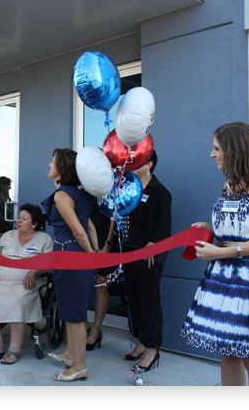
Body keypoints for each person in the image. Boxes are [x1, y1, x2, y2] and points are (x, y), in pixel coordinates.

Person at [181, 122, 249, 386]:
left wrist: (222, 252)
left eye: (217, 148)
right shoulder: (230, 182)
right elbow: (240, 228)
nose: (212, 154)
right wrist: (210, 229)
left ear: (233, 149)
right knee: (228, 353)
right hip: (222, 275)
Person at [41, 148, 99, 382]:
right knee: (70, 309)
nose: (49, 165)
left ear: (62, 169)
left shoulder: (62, 195)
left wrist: (91, 255)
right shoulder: (76, 193)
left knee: (75, 315)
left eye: (52, 162)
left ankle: (80, 367)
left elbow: (79, 230)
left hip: (71, 256)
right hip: (72, 255)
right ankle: (69, 354)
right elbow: (91, 227)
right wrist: (94, 253)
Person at [113, 150, 171, 372]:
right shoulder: (130, 191)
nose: (131, 166)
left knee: (149, 302)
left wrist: (152, 245)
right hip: (129, 253)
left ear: (149, 165)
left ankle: (152, 350)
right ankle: (139, 342)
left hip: (149, 257)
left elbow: (164, 226)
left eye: (137, 162)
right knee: (133, 300)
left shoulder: (160, 192)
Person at [0, 204, 52, 364]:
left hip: (25, 285)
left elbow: (49, 264)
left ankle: (14, 350)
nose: (19, 220)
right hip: (0, 282)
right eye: (19, 217)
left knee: (16, 303)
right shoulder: (8, 235)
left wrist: (35, 271)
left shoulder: (44, 239)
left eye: (24, 218)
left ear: (34, 223)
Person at [82, 190, 116, 351]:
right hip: (82, 237)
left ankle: (96, 330)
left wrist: (108, 243)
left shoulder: (106, 187)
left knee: (100, 287)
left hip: (103, 238)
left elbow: (114, 217)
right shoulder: (77, 188)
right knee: (79, 285)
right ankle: (85, 327)